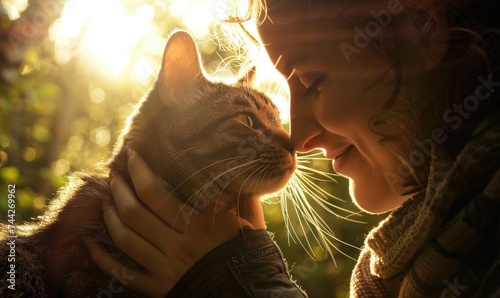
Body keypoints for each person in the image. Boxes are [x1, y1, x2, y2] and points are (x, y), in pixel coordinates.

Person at [84, 0, 500, 297]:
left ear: (423, 26)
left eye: (314, 82)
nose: (298, 142)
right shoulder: (404, 262)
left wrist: (239, 281)